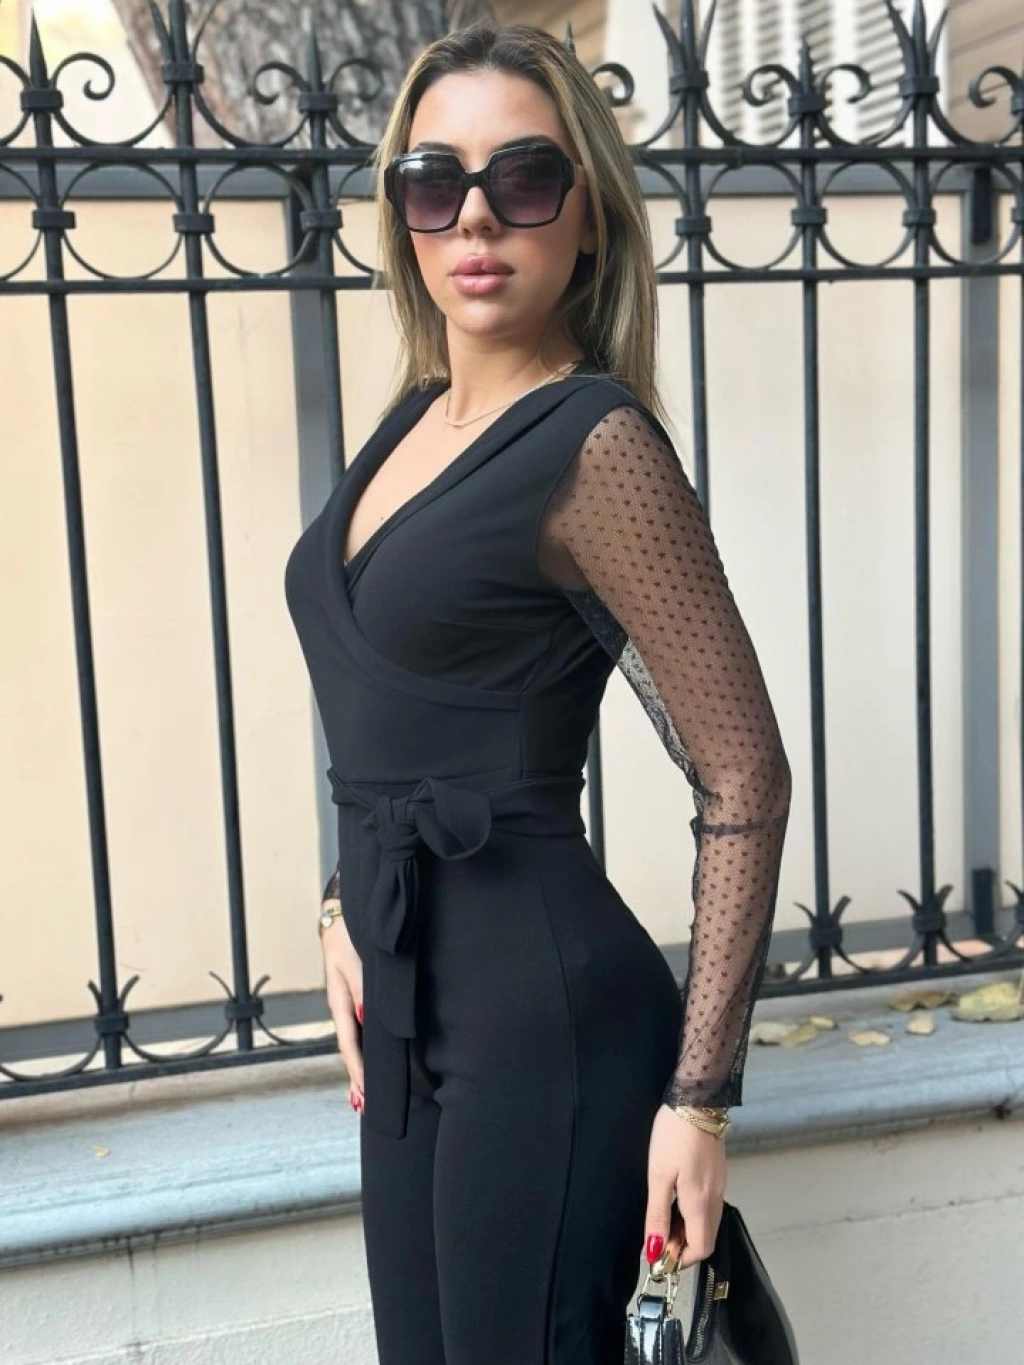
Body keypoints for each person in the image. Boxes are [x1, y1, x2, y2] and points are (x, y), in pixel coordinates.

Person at [284, 19, 792, 1365]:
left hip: (542, 1024)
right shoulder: (413, 421)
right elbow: (396, 722)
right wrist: (343, 898)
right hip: (403, 1006)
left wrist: (700, 1103)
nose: (473, 217)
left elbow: (745, 773)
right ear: (400, 213)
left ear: (590, 216)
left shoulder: (596, 444)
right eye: (433, 181)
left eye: (521, 178)